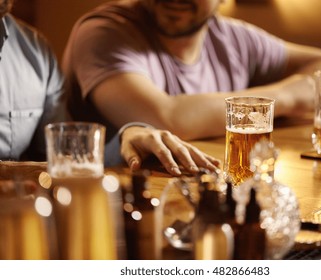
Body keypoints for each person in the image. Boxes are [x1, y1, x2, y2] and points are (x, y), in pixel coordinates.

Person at [62, 0, 321, 143]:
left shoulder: (234, 38)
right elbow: (166, 120)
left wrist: (277, 101)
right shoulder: (104, 32)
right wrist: (280, 101)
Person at [0, 0, 219, 176]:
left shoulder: (35, 50)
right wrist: (29, 171)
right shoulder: (103, 29)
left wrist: (127, 139)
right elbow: (55, 168)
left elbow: (62, 156)